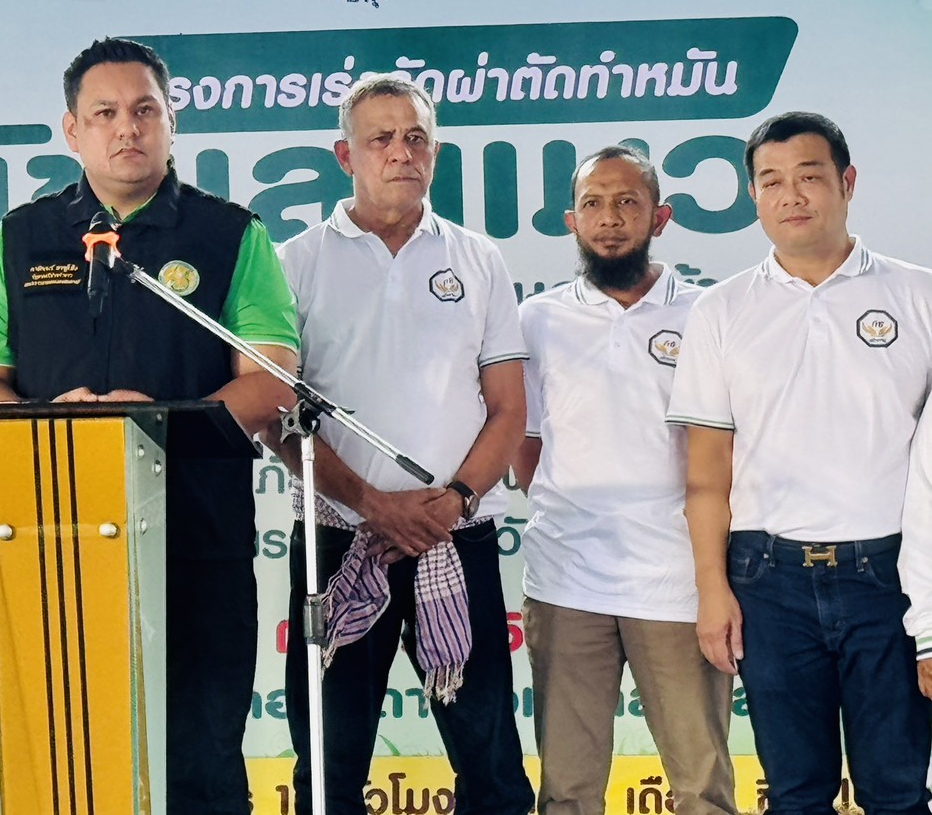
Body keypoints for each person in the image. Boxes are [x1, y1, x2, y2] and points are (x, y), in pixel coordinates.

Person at [0, 37, 299, 815]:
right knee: (68, 759)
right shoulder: (19, 238)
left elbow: (270, 378)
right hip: (53, 542)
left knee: (202, 759)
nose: (126, 128)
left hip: (197, 539)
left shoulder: (230, 235)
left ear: (172, 123)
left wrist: (154, 426)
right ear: (72, 131)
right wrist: (50, 427)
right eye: (104, 113)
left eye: (145, 110)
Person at [268, 75, 533, 815]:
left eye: (416, 137)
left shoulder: (477, 259)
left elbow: (508, 410)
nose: (400, 152)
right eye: (380, 138)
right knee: (328, 763)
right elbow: (277, 418)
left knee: (490, 761)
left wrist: (453, 502)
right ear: (344, 155)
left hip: (456, 535)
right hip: (337, 538)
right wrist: (372, 503)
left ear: (435, 152)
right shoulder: (294, 262)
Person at [667, 111, 932, 814]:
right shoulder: (721, 310)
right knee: (794, 793)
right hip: (768, 582)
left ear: (847, 183)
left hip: (889, 578)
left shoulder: (919, 295)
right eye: (771, 181)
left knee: (898, 791)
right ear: (753, 196)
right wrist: (711, 590)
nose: (791, 196)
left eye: (809, 177)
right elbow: (706, 474)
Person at [515, 147, 734, 815]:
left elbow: (724, 452)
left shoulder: (708, 314)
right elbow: (525, 446)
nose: (609, 219)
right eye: (592, 204)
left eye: (627, 202)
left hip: (677, 582)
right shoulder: (537, 321)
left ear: (660, 217)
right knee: (567, 791)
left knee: (701, 787)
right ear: (571, 222)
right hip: (566, 581)